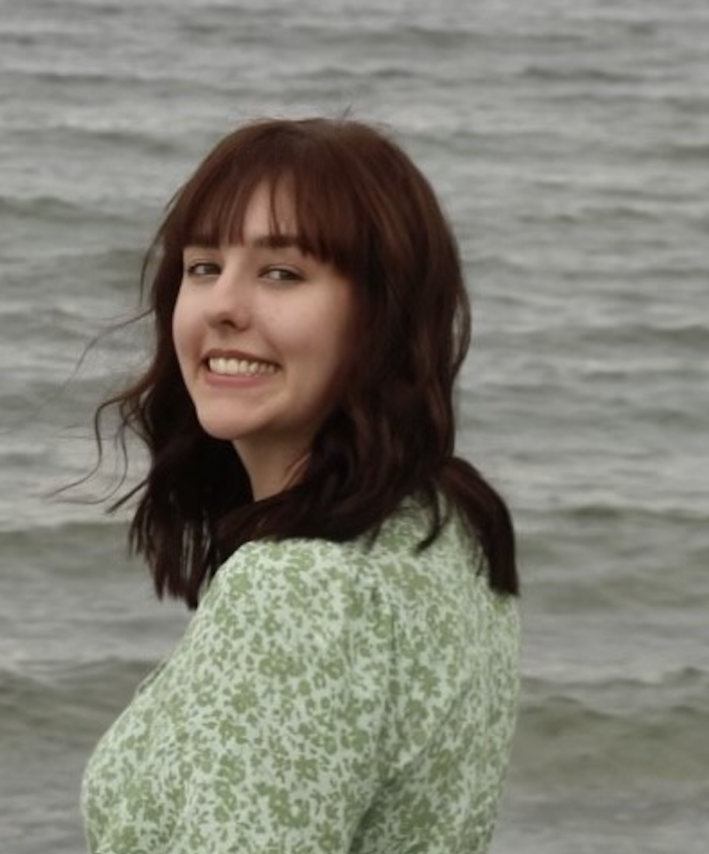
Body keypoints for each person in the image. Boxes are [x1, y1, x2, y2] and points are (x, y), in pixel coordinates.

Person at [80, 117, 521, 853]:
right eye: (203, 266)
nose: (223, 304)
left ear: (380, 316)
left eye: (282, 273)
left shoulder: (296, 591)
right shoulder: (446, 522)